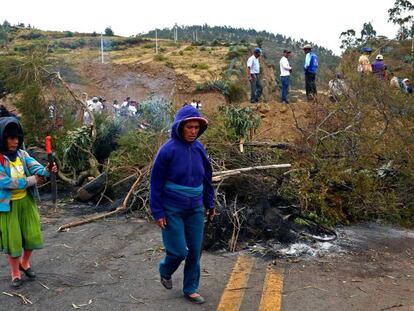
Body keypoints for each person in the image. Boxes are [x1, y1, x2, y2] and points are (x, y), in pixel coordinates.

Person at [150, 105, 215, 305]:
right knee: (179, 251)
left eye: (196, 127)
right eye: (189, 127)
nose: (193, 131)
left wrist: (209, 203)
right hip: (172, 208)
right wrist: (158, 211)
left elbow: (207, 177)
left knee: (195, 250)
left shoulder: (199, 148)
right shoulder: (167, 150)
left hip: (195, 207)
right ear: (180, 127)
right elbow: (156, 182)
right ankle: (165, 270)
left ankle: (190, 289)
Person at [0, 117, 57, 288]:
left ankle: (25, 263)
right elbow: (5, 182)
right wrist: (31, 180)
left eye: (17, 138)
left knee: (32, 235)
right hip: (8, 206)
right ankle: (15, 273)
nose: (15, 141)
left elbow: (36, 167)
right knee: (14, 240)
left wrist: (47, 170)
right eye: (11, 138)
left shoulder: (22, 155)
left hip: (26, 202)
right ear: (3, 138)